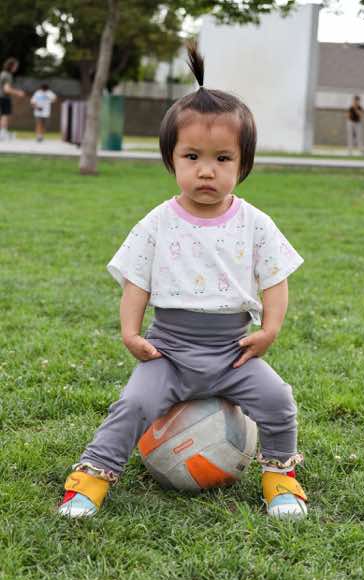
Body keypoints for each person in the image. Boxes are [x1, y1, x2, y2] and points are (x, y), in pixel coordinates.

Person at [58, 43, 308, 521]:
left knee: (279, 400)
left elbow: (274, 279)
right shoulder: (158, 222)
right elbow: (136, 281)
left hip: (234, 352)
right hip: (169, 352)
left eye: (223, 158)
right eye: (192, 156)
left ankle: (279, 475)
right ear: (171, 159)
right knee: (132, 403)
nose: (206, 170)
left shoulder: (255, 223)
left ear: (243, 165)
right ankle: (91, 478)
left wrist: (270, 329)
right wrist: (130, 332)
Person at [0, 57, 25, 140]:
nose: (16, 68)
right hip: (4, 97)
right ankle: (3, 133)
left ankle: (3, 132)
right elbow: (6, 89)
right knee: (4, 115)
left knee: (3, 114)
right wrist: (18, 92)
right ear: (11, 66)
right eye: (16, 66)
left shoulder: (2, 73)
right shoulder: (7, 75)